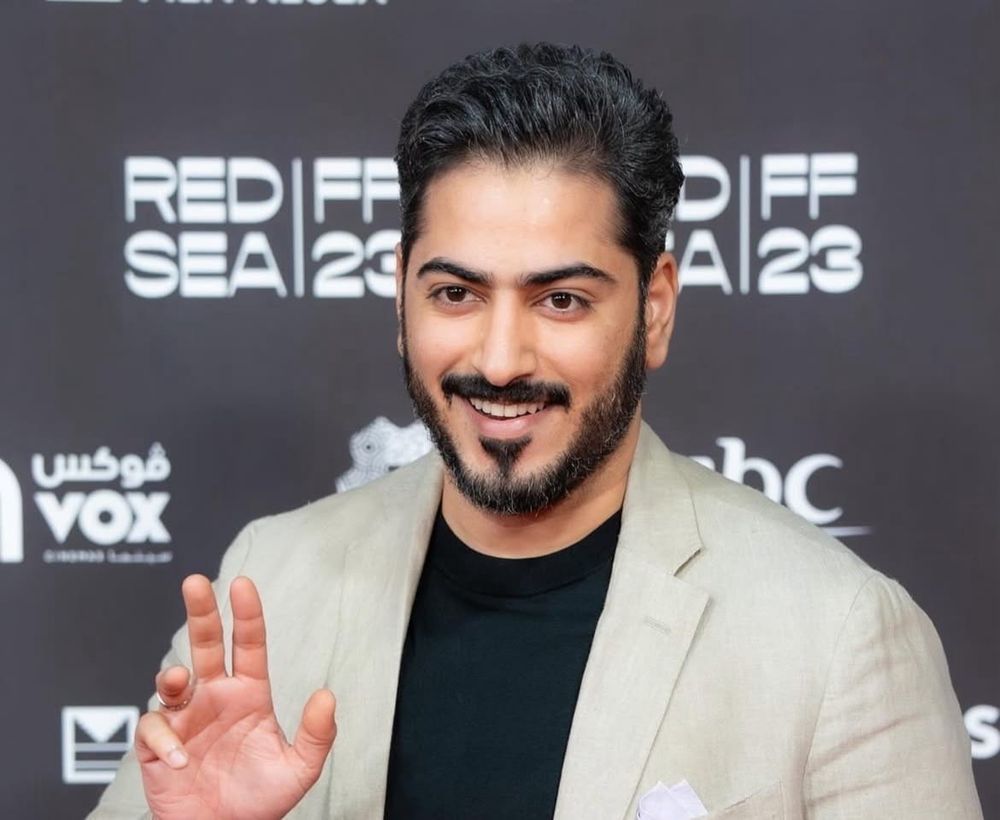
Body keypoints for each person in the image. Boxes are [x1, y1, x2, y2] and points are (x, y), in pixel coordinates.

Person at [89, 43, 982, 820]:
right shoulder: (271, 581)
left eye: (561, 300)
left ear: (655, 308)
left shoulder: (836, 636)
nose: (501, 358)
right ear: (401, 297)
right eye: (456, 294)